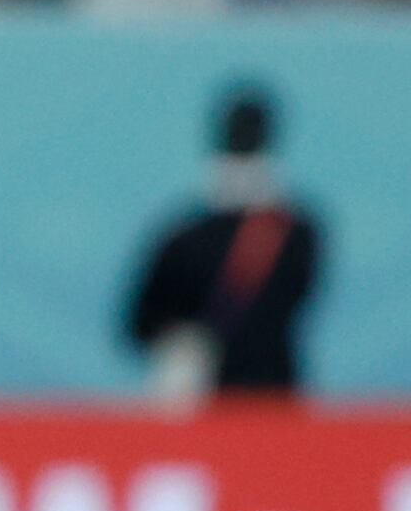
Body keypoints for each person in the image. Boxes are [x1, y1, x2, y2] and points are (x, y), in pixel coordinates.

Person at [122, 83, 321, 405]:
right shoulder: (300, 233)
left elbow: (141, 325)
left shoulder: (184, 236)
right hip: (266, 396)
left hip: (219, 399)